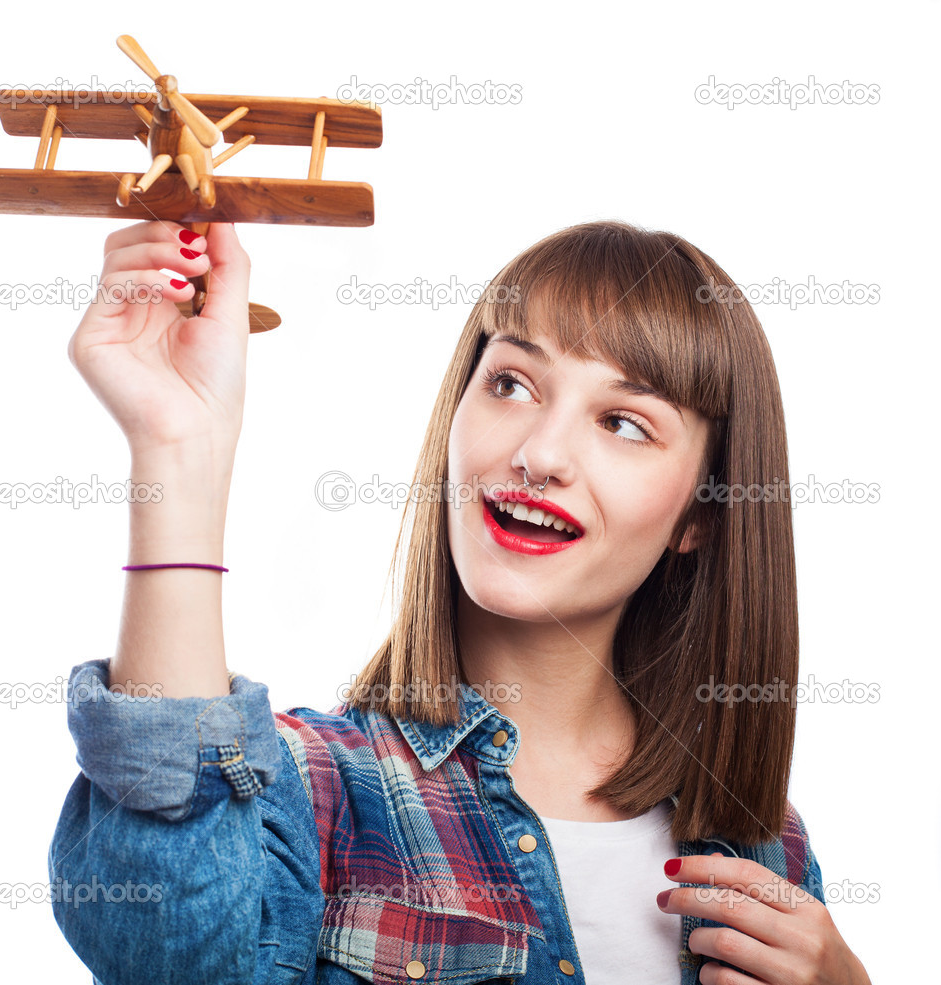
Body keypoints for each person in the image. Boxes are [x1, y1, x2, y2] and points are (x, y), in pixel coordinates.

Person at [50, 219, 871, 984]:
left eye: (623, 422)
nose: (539, 452)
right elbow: (162, 945)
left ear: (699, 512)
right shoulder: (305, 790)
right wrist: (176, 448)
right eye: (511, 381)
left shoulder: (766, 847)